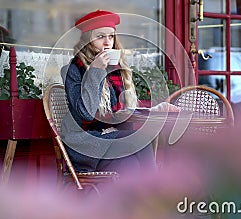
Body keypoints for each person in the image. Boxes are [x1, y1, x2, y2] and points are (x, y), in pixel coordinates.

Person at [60, 10, 165, 174]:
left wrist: (152, 111)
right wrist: (95, 71)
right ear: (88, 40)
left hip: (111, 140)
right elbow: (85, 114)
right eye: (100, 36)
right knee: (142, 139)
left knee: (128, 165)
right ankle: (157, 190)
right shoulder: (72, 70)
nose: (107, 42)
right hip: (86, 142)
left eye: (111, 36)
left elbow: (120, 112)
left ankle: (136, 197)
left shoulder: (116, 71)